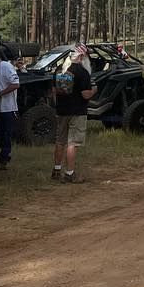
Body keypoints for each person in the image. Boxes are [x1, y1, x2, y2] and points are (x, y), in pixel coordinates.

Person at [52, 45, 94, 183]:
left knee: (60, 141)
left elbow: (54, 91)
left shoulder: (59, 70)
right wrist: (94, 90)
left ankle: (56, 170)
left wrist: (58, 104)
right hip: (77, 111)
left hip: (61, 110)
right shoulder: (82, 72)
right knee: (73, 143)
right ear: (82, 57)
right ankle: (70, 173)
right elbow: (86, 95)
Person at [0, 45, 20, 170]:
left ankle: (4, 159)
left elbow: (15, 84)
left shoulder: (6, 66)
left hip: (7, 108)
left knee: (6, 135)